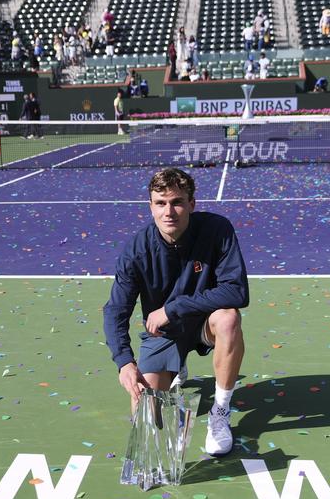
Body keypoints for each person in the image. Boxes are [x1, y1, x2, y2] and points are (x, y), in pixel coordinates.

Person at [103, 168, 249, 457]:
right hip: (164, 335)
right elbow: (116, 310)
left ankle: (220, 412)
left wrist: (173, 308)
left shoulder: (217, 229)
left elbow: (237, 292)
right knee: (145, 414)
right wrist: (124, 363)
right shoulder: (136, 250)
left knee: (229, 319)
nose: (168, 212)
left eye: (177, 202)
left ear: (192, 204)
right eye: (160, 203)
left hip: (206, 324)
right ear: (151, 207)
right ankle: (174, 363)